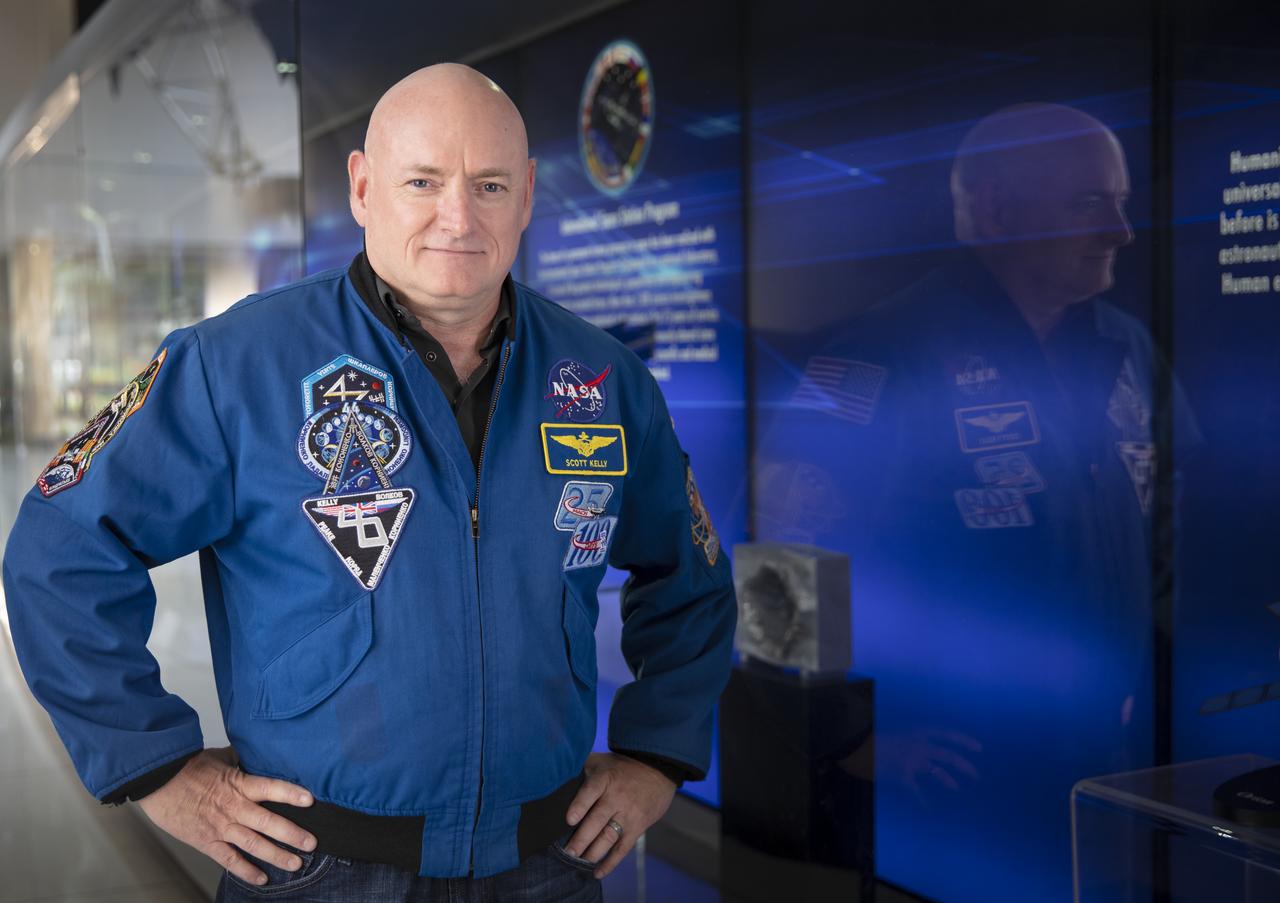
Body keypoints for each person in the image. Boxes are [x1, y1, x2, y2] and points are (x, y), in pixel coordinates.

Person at [2, 63, 736, 902]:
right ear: (361, 186)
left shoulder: (604, 380)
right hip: (319, 869)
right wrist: (159, 767)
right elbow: (60, 547)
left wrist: (655, 754)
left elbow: (693, 579)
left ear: (528, 195)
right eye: (422, 181)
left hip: (546, 865)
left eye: (489, 184)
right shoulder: (236, 366)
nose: (457, 217)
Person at [763, 103, 1195, 898]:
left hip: (1108, 770)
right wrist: (846, 740)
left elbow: (1170, 528)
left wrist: (1158, 685)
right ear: (994, 210)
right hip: (957, 788)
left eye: (1122, 203)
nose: (1120, 232)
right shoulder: (879, 353)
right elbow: (785, 557)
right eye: (1089, 203)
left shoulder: (1126, 347)